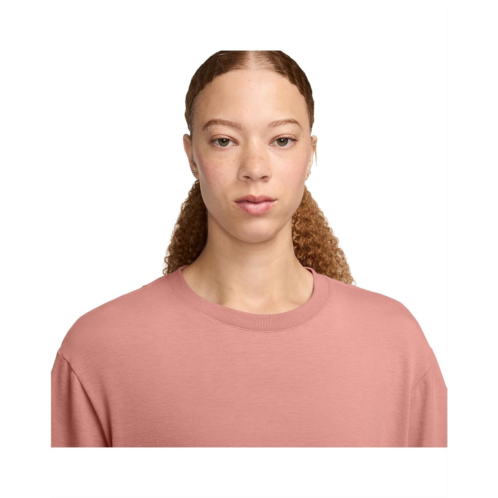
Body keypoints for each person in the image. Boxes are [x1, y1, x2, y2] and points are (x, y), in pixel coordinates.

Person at [51, 50, 448, 447]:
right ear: (192, 156)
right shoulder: (98, 349)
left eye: (282, 140)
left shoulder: (395, 342)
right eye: (224, 141)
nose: (255, 168)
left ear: (311, 153)